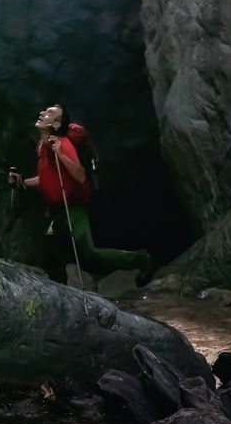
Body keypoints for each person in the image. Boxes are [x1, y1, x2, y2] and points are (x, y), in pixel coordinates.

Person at [9, 103, 154, 287]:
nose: (42, 113)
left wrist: (60, 154)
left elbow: (80, 175)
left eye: (49, 113)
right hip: (57, 215)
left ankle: (140, 259)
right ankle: (59, 292)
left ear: (55, 125)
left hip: (73, 211)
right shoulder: (41, 146)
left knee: (88, 253)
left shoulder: (63, 144)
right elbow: (45, 178)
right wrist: (22, 181)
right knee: (50, 251)